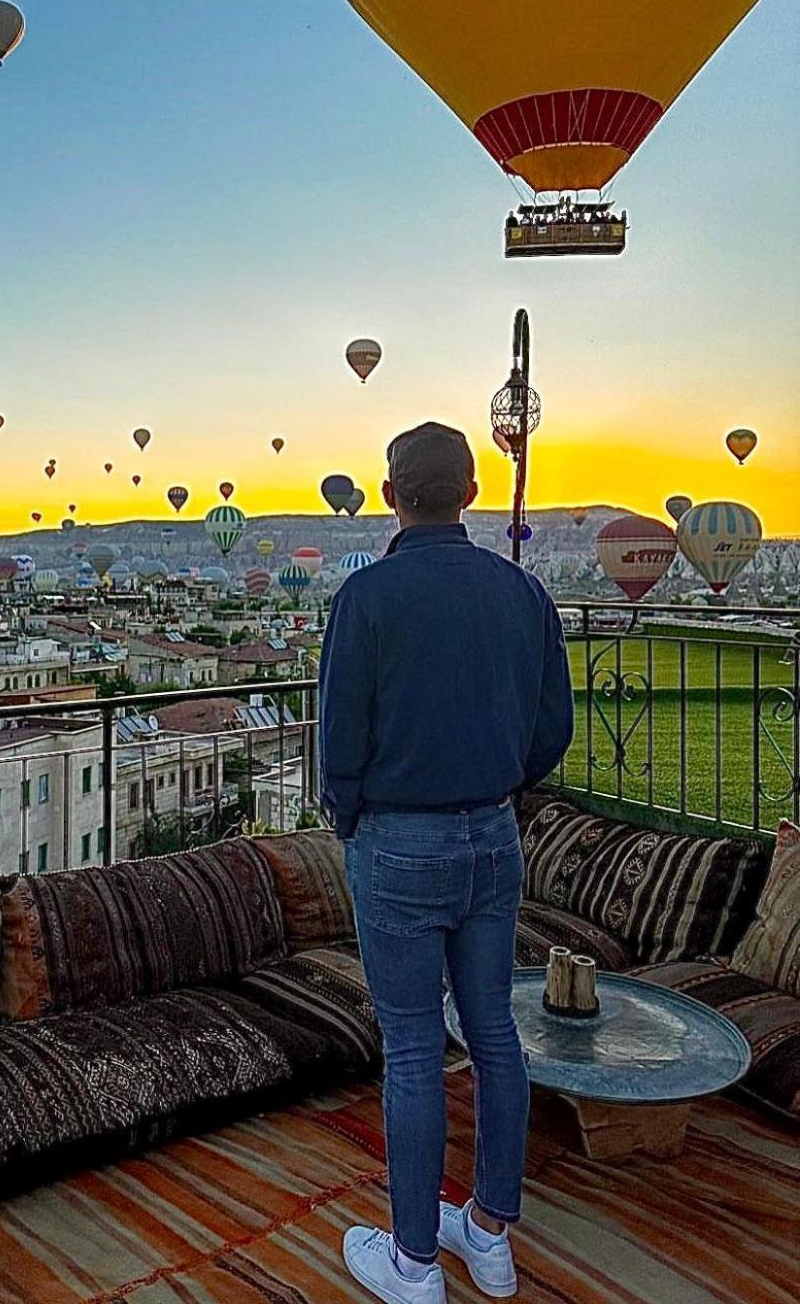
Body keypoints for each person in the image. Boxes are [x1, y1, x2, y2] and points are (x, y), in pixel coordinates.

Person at [319, 422, 573, 1304]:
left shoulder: (368, 596)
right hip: (493, 835)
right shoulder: (522, 590)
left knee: (416, 1048)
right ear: (469, 491)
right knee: (494, 1032)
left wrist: (350, 816)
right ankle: (490, 1234)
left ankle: (416, 1263)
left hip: (398, 838)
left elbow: (338, 736)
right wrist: (500, 783)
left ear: (391, 493)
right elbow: (552, 729)